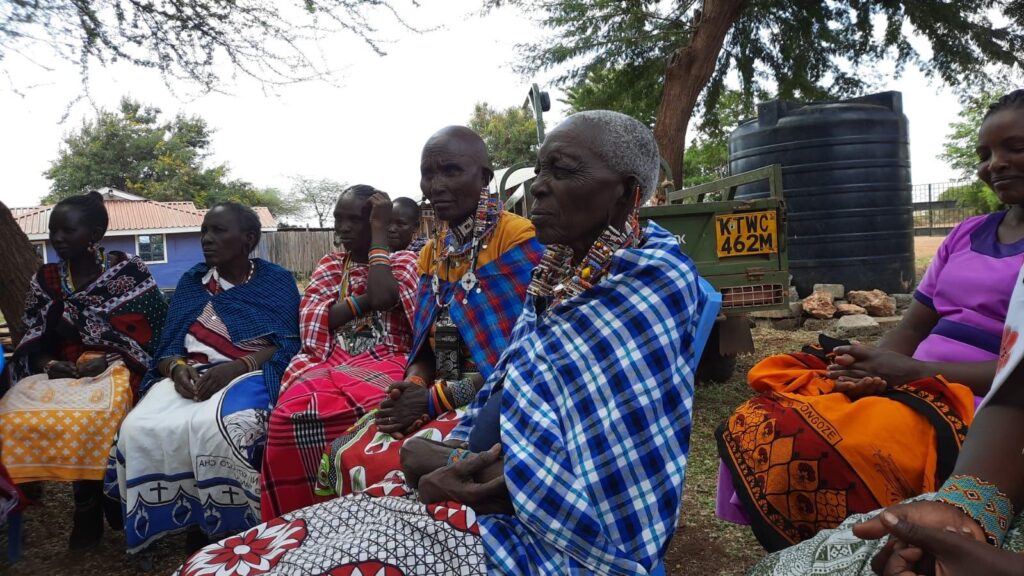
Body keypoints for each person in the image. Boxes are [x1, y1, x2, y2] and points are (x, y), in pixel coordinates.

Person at [175, 109, 705, 576]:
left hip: (547, 534)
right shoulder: (546, 264)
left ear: (629, 195)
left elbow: (587, 454)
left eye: (562, 172)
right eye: (540, 169)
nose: (540, 184)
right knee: (237, 549)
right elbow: (459, 354)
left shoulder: (568, 260)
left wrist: (438, 431)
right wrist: (416, 388)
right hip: (480, 443)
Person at [717, 90, 1024, 552]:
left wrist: (918, 373)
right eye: (985, 154)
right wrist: (872, 367)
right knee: (768, 411)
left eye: (1014, 148)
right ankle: (803, 548)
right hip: (914, 383)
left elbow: (1017, 380)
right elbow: (913, 327)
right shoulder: (966, 234)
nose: (995, 164)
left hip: (987, 404)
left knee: (838, 445)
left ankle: (854, 549)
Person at [312, 126, 544, 499]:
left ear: (484, 177)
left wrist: (433, 400)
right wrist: (415, 387)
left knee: (394, 464)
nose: (434, 185)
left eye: (451, 170)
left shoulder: (517, 239)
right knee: (345, 452)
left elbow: (518, 362)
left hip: (497, 398)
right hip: (440, 388)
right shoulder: (431, 253)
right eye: (428, 173)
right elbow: (424, 349)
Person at [105, 202, 300, 554]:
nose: (206, 239)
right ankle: (188, 514)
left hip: (251, 373)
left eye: (218, 231)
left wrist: (237, 367)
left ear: (249, 239)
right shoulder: (193, 283)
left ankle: (228, 525)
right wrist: (177, 370)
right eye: (204, 231)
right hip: (191, 372)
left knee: (221, 429)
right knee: (137, 428)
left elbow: (288, 343)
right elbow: (166, 348)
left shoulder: (276, 282)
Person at [0, 191, 167, 549]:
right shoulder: (45, 279)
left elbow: (153, 332)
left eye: (67, 230)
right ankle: (29, 492)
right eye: (53, 231)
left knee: (97, 416)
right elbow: (34, 333)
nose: (57, 238)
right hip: (63, 369)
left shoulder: (128, 270)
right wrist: (49, 364)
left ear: (94, 234)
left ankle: (95, 501)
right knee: (10, 414)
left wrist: (107, 360)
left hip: (124, 364)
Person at [260, 186, 421, 519]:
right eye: (338, 219)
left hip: (389, 357)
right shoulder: (330, 264)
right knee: (285, 420)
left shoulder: (404, 260)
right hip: (329, 358)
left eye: (355, 220)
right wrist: (362, 300)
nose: (343, 228)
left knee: (378, 415)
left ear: (377, 221)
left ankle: (369, 516)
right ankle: (299, 517)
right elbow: (314, 318)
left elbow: (386, 295)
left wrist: (379, 234)